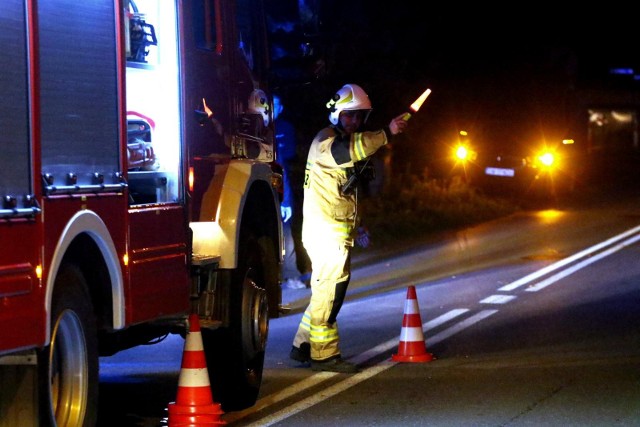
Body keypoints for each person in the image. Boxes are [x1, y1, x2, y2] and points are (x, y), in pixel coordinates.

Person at [289, 83, 409, 373]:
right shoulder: (327, 142)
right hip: (326, 234)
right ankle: (325, 354)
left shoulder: (337, 142)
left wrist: (359, 226)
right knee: (331, 292)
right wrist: (387, 133)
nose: (355, 122)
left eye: (359, 117)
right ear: (336, 115)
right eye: (349, 116)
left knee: (324, 292)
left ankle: (303, 345)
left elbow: (344, 192)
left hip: (331, 231)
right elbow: (352, 150)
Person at [273, 93, 312, 289]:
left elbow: (285, 164)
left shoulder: (283, 128)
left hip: (281, 187)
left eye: (277, 104)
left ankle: (293, 274)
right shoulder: (259, 130)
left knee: (288, 234)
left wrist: (286, 200)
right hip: (264, 190)